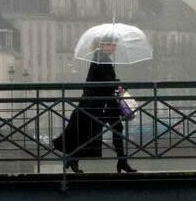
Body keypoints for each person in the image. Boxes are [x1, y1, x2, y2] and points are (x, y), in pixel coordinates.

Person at [52, 36, 137, 173]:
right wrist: (119, 85)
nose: (112, 47)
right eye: (109, 45)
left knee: (109, 131)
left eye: (114, 45)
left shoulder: (102, 58)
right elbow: (107, 81)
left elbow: (107, 80)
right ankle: (120, 162)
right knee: (98, 132)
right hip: (99, 104)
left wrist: (117, 83)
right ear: (102, 46)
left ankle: (121, 161)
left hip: (103, 103)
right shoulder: (101, 59)